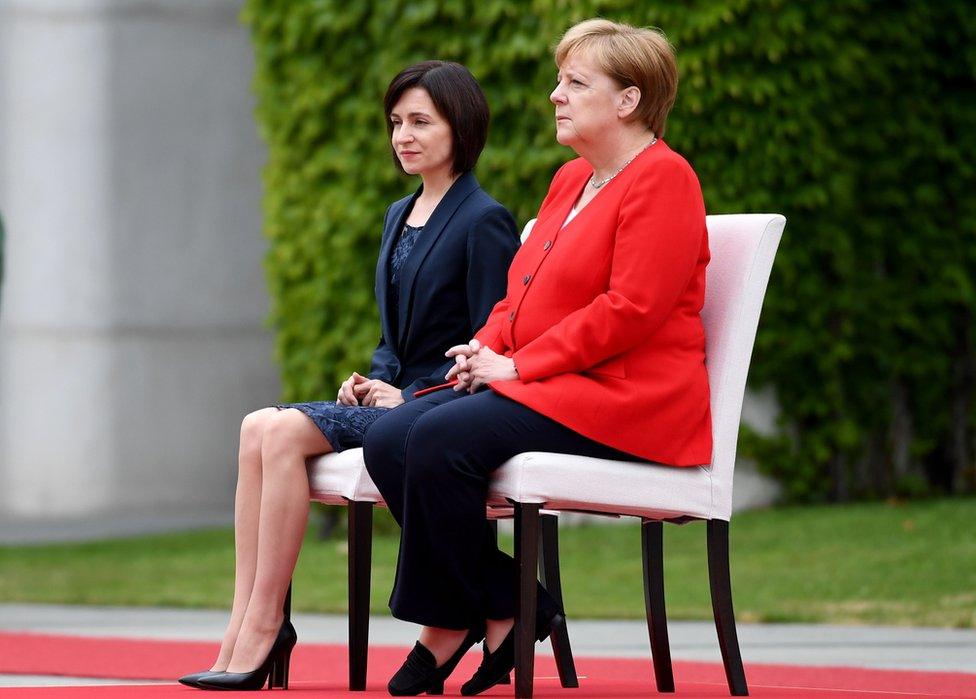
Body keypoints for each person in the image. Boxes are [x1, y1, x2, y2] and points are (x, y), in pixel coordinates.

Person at [363, 19, 712, 697]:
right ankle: (511, 602)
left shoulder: (665, 179)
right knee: (390, 438)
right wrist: (485, 348)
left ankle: (452, 624)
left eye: (575, 83)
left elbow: (630, 311)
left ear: (627, 101)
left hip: (626, 398)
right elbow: (520, 296)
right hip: (558, 384)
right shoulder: (570, 180)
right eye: (560, 80)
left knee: (436, 439)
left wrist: (518, 368)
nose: (556, 95)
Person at [179, 60, 519, 691]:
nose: (403, 136)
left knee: (276, 433)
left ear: (460, 127)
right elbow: (395, 336)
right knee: (257, 427)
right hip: (394, 399)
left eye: (421, 121)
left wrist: (410, 394)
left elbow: (489, 342)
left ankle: (263, 629)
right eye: (396, 123)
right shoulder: (399, 214)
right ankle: (246, 621)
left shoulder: (484, 220)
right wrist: (371, 381)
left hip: (437, 409)